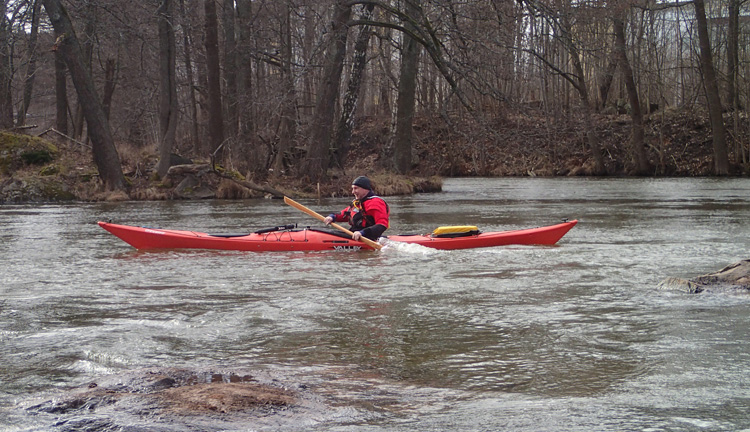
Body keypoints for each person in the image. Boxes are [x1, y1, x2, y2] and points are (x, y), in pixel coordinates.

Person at [323, 176, 390, 242]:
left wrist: (362, 233)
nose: (353, 192)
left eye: (356, 188)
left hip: (368, 237)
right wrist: (332, 217)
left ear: (365, 189)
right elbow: (346, 214)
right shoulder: (357, 203)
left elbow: (382, 225)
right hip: (354, 234)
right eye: (352, 189)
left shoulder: (376, 203)